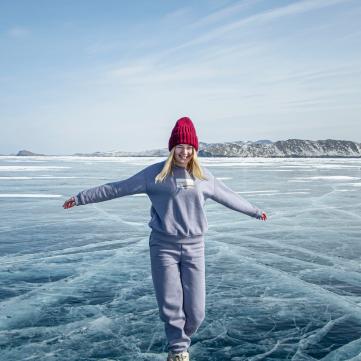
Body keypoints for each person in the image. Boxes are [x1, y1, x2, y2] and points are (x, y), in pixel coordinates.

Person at [63, 117, 267, 361]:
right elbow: (119, 188)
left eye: (189, 147)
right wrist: (81, 197)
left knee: (197, 312)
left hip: (195, 247)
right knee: (171, 305)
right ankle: (178, 351)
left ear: (195, 149)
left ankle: (180, 341)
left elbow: (229, 197)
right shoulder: (156, 174)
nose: (184, 151)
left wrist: (255, 211)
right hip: (163, 247)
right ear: (172, 148)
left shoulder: (204, 177)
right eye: (180, 146)